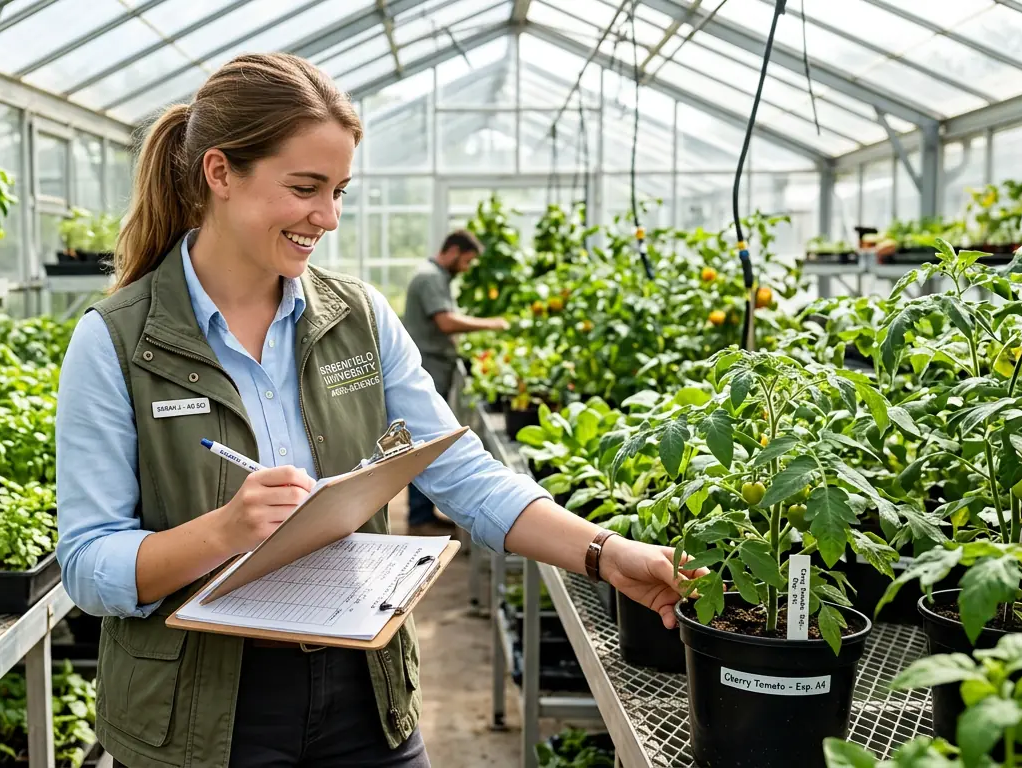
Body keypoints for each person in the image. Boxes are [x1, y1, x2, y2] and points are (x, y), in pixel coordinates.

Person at [55, 52, 695, 768]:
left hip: (363, 685)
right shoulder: (115, 341)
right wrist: (226, 530)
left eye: (339, 192)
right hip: (196, 715)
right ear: (219, 173)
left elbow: (463, 474)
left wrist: (606, 554)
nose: (326, 217)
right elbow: (87, 563)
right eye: (305, 187)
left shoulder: (357, 318)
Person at [400, 230, 511, 534]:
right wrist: (492, 324)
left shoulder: (437, 276)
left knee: (427, 441)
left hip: (436, 366)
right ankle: (419, 518)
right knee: (423, 442)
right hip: (428, 368)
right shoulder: (430, 278)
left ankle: (423, 513)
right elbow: (446, 322)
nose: (466, 268)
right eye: (465, 261)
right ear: (451, 251)